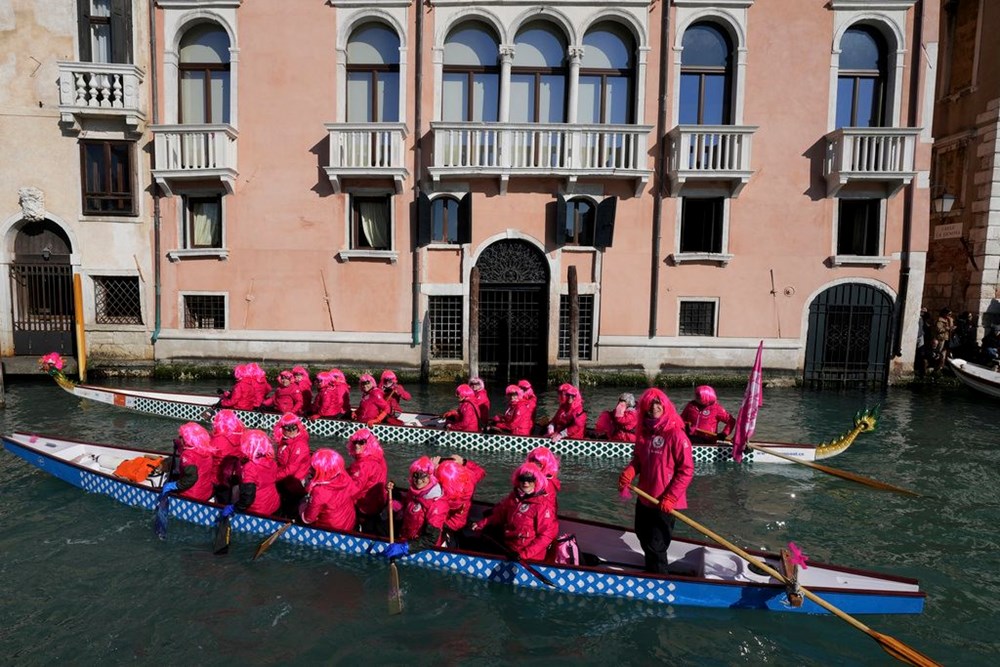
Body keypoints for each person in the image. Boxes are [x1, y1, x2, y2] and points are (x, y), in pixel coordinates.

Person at [617, 388, 695, 574]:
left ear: (665, 405)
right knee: (641, 533)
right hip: (645, 496)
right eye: (650, 404)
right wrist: (630, 471)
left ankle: (658, 577)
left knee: (656, 544)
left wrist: (671, 497)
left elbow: (686, 470)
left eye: (658, 403)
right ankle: (653, 568)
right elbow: (638, 459)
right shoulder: (644, 432)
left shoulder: (676, 434)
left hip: (664, 501)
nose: (654, 407)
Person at [471, 462, 558, 561]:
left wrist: (523, 555)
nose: (525, 483)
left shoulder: (543, 506)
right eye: (522, 479)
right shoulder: (513, 498)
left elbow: (546, 536)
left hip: (528, 557)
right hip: (508, 548)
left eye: (530, 479)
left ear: (536, 480)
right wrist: (481, 524)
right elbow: (500, 515)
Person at [394, 456, 449, 550]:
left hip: (425, 549)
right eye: (416, 475)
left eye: (423, 476)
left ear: (430, 477)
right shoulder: (413, 492)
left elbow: (431, 538)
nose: (419, 480)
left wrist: (406, 548)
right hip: (406, 539)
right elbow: (407, 505)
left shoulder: (436, 504)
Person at [300, 449, 360, 532]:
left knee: (300, 505)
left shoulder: (319, 491)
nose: (310, 469)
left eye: (313, 468)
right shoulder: (343, 474)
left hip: (331, 530)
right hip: (348, 522)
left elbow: (309, 518)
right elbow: (354, 493)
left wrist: (302, 506)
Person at [434, 454, 486, 543]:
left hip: (446, 524)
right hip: (461, 521)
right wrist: (464, 462)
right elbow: (480, 471)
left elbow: (431, 501)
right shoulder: (470, 479)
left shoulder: (444, 492)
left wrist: (433, 470)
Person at [345, 428, 388, 533]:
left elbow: (354, 490)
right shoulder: (378, 457)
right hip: (377, 502)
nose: (357, 445)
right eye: (355, 442)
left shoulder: (363, 465)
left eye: (361, 442)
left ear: (368, 443)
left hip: (364, 505)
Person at [273, 413, 312, 517]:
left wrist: (273, 477)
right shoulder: (285, 441)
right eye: (288, 428)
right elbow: (280, 462)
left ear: (298, 426)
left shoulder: (299, 445)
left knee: (290, 508)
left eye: (294, 427)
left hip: (296, 481)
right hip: (285, 477)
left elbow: (291, 469)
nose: (291, 431)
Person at [235, 429, 281, 516]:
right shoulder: (271, 460)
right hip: (273, 503)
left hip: (257, 509)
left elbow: (248, 497)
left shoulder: (249, 467)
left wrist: (235, 507)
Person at [172, 422, 219, 502]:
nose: (179, 439)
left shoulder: (188, 455)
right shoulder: (207, 450)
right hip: (206, 491)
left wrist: (175, 485)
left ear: (186, 438)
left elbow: (191, 478)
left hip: (191, 495)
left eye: (181, 437)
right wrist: (180, 445)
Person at [209, 409, 245, 502]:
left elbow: (209, 455)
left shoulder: (217, 439)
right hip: (234, 476)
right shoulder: (241, 436)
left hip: (217, 477)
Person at [525, 446, 561, 510]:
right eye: (532, 461)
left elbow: (544, 507)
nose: (533, 465)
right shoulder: (534, 477)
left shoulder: (547, 483)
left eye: (538, 463)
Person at [932, 307, 956, 372]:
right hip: (941, 338)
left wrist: (952, 328)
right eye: (948, 314)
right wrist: (947, 329)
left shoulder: (950, 320)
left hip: (947, 338)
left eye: (950, 314)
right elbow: (938, 329)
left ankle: (941, 367)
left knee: (944, 353)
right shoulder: (939, 320)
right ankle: (935, 367)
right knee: (939, 352)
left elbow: (951, 327)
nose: (949, 316)